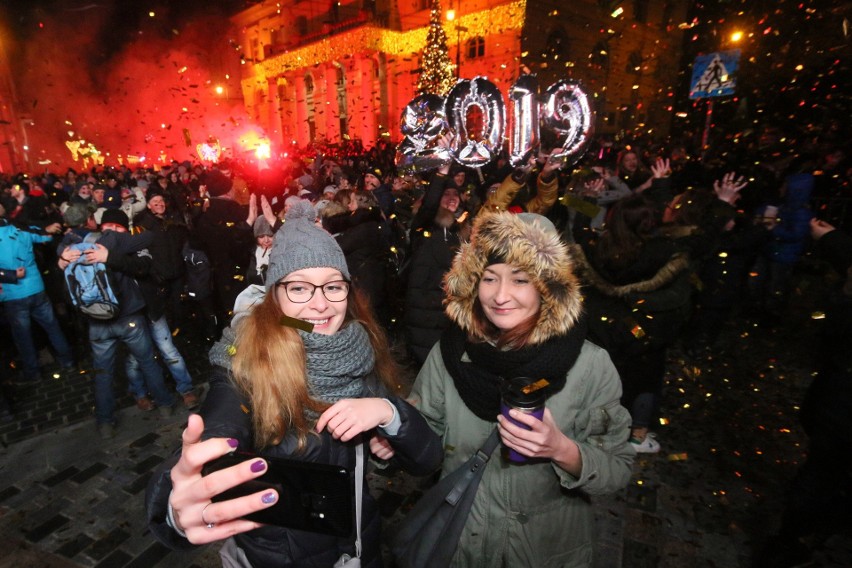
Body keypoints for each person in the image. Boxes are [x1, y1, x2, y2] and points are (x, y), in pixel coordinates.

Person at [146, 201, 442, 567]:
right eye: (300, 288)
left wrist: (388, 413)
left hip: (359, 551)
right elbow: (219, 428)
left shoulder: (356, 346)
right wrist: (180, 504)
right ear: (275, 295)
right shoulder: (247, 363)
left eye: (333, 286)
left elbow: (428, 459)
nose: (320, 304)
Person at [409, 210, 634, 566]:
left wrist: (562, 450)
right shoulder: (451, 352)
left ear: (548, 287)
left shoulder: (589, 364)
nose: (500, 296)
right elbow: (424, 437)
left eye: (520, 280)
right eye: (489, 278)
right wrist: (393, 430)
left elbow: (617, 469)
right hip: (462, 545)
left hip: (543, 551)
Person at [58, 209, 176, 438]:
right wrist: (112, 252)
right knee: (147, 362)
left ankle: (105, 423)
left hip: (95, 321)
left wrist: (62, 256)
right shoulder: (116, 241)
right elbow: (149, 237)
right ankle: (165, 405)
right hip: (129, 317)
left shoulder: (72, 245)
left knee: (103, 373)